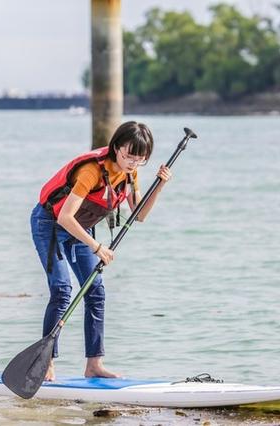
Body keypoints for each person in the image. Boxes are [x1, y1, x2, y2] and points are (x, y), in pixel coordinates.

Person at [31, 121, 172, 381]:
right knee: (62, 290)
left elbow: (139, 215)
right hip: (51, 225)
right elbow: (64, 217)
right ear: (116, 148)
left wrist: (159, 185)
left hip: (81, 229)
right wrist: (97, 247)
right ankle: (45, 363)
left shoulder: (131, 174)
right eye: (128, 156)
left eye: (140, 159)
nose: (132, 163)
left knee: (95, 291)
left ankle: (94, 365)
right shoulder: (91, 172)